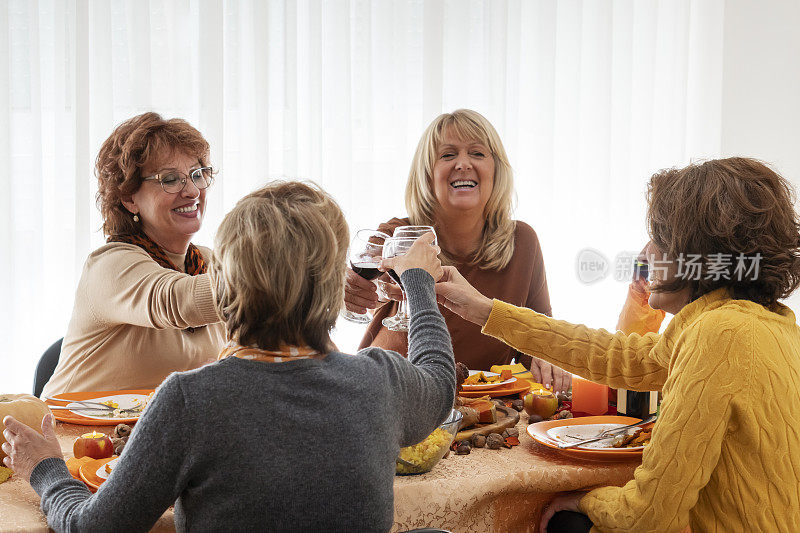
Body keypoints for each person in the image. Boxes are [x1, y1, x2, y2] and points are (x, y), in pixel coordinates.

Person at [3, 181, 455, 532]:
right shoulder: (380, 382)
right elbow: (439, 379)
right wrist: (417, 282)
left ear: (227, 279)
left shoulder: (189, 401)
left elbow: (93, 526)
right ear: (333, 282)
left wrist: (46, 470)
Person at [434, 157, 800, 531]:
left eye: (658, 238)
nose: (643, 256)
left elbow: (647, 516)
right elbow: (620, 356)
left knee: (561, 520)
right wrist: (482, 310)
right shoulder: (771, 323)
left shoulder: (719, 334)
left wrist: (585, 500)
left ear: (698, 256)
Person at [346, 109, 570, 391]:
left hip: (481, 406)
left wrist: (545, 357)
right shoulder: (397, 236)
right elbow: (349, 289)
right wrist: (344, 289)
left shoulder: (522, 242)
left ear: (496, 171)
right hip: (390, 394)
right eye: (448, 155)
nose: (463, 164)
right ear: (428, 174)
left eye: (477, 153)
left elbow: (537, 336)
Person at [41, 112, 226, 396]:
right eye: (171, 179)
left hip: (155, 436)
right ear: (129, 198)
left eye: (197, 174)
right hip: (71, 435)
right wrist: (278, 279)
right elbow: (175, 301)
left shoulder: (210, 262)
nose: (191, 191)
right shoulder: (111, 264)